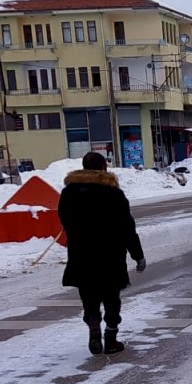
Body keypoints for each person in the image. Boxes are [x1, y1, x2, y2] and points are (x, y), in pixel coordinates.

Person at [58, 151, 146, 356]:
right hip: (110, 256)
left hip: (81, 255)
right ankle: (111, 338)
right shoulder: (113, 194)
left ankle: (93, 324)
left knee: (88, 296)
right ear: (104, 168)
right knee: (111, 298)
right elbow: (127, 227)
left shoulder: (69, 193)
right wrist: (137, 255)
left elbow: (65, 220)